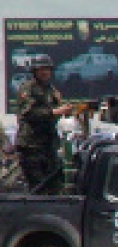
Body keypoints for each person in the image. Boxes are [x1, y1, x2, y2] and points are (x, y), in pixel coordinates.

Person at [15, 56, 73, 194]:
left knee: (55, 185)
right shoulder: (28, 88)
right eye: (41, 69)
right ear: (34, 71)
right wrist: (54, 112)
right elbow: (28, 113)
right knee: (38, 185)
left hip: (49, 144)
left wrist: (67, 111)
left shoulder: (51, 90)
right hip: (31, 145)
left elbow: (58, 112)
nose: (45, 72)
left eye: (47, 69)